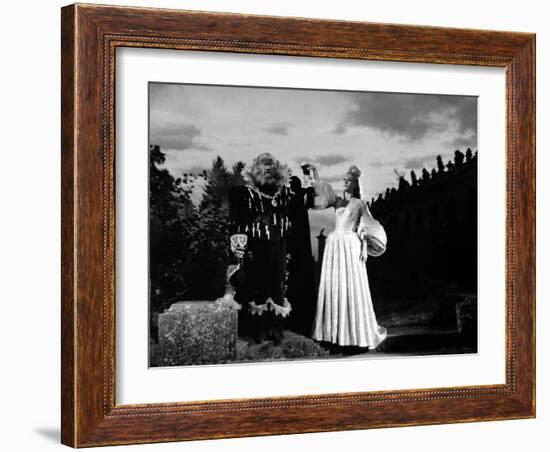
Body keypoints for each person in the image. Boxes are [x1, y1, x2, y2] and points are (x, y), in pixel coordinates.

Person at [308, 164, 387, 349]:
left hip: (350, 245)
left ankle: (355, 334)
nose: (344, 182)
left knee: (351, 285)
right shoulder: (337, 201)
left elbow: (367, 226)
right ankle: (335, 333)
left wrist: (364, 247)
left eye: (348, 180)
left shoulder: (359, 204)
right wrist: (314, 172)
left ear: (355, 184)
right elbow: (321, 196)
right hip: (335, 244)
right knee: (335, 286)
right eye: (343, 179)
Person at [228, 153, 293, 345]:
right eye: (263, 167)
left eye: (271, 167)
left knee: (278, 285)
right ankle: (259, 329)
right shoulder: (246, 194)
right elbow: (238, 222)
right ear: (255, 172)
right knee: (258, 286)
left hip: (279, 244)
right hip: (256, 244)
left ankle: (275, 328)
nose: (268, 169)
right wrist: (239, 249)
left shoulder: (284, 194)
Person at [286, 175, 316, 336]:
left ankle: (302, 316)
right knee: (298, 272)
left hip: (300, 238)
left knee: (300, 271)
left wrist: (309, 191)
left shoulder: (297, 198)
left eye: (291, 186)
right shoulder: (293, 199)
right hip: (297, 239)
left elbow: (309, 204)